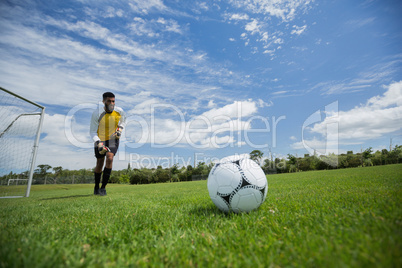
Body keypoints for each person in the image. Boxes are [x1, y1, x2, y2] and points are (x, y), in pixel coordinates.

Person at [90, 92, 126, 196]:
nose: (111, 103)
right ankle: (96, 187)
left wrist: (120, 129)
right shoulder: (97, 113)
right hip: (99, 139)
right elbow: (92, 132)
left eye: (113, 101)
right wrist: (98, 144)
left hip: (112, 139)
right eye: (109, 101)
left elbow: (123, 121)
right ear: (103, 101)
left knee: (110, 158)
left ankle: (103, 188)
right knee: (100, 163)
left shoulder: (119, 111)